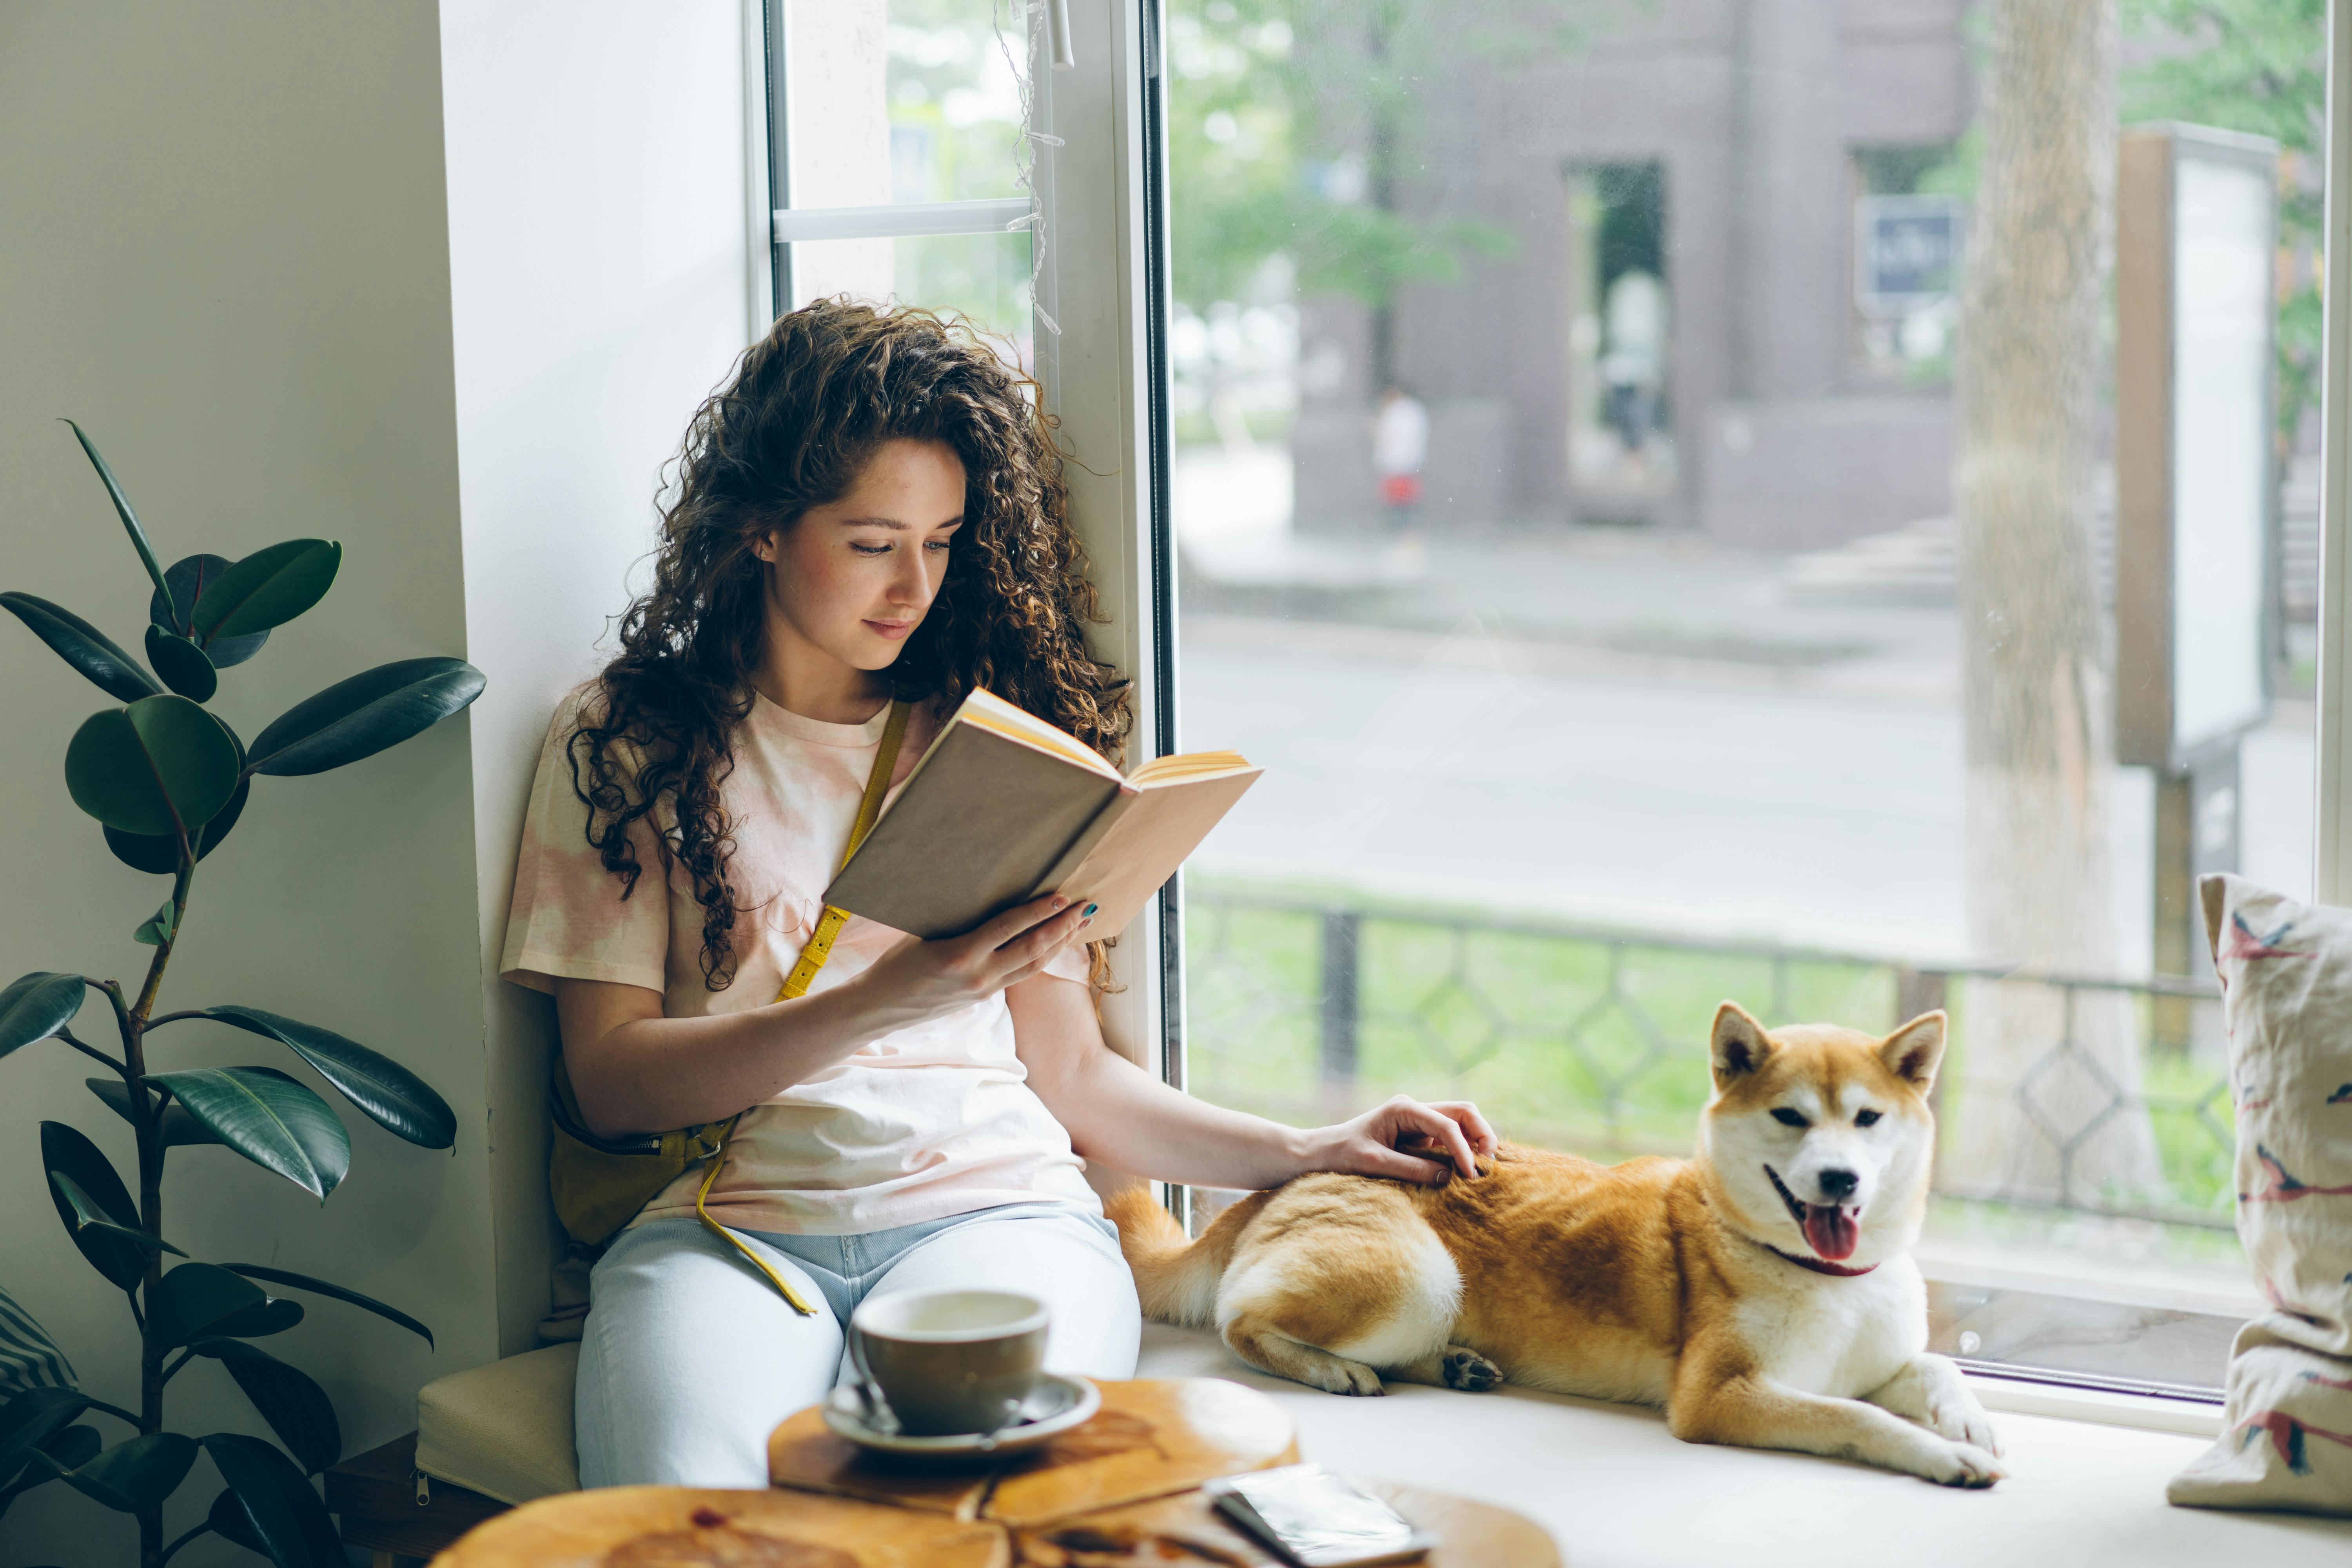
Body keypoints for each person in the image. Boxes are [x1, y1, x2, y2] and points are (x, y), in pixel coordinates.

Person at [499, 300, 1496, 1488]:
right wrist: (885, 998)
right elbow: (606, 1085)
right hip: (727, 1228)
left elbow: (1072, 1080)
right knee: (690, 1504)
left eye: (943, 538)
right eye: (871, 541)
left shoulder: (982, 749)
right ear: (763, 528)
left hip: (1000, 1214)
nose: (911, 583)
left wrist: (1305, 1145)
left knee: (982, 1501)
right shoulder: (629, 740)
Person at [1372, 384, 1428, 537]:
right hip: (1410, 464)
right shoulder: (1416, 410)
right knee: (1407, 504)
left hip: (1397, 466)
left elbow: (1390, 437)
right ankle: (1407, 536)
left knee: (1397, 505)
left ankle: (1400, 536)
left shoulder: (1396, 412)